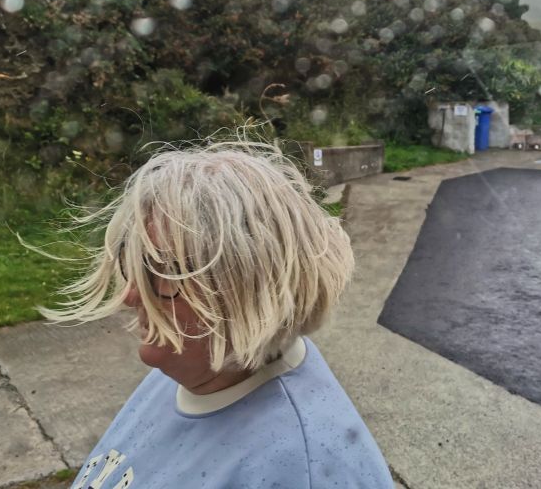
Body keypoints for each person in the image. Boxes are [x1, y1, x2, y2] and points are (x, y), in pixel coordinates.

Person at [39, 138, 393, 488]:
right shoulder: (192, 369)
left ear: (250, 292)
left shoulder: (304, 470)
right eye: (135, 263)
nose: (132, 294)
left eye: (164, 273)